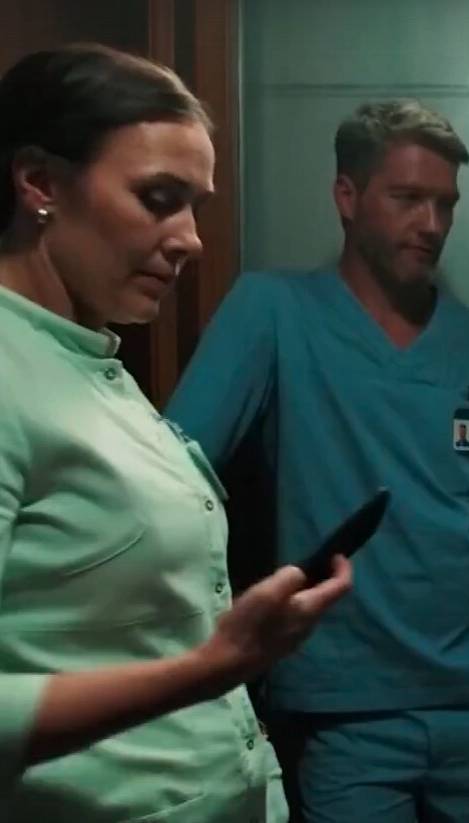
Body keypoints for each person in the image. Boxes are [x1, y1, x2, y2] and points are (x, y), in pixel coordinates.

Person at [167, 100, 469, 822]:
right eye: (408, 198)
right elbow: (167, 475)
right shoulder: (273, 313)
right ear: (347, 196)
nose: (431, 224)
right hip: (346, 709)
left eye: (446, 204)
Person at [0, 44, 351, 821]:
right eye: (158, 198)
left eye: (195, 205)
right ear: (40, 183)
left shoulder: (91, 361)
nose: (190, 238)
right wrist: (210, 667)